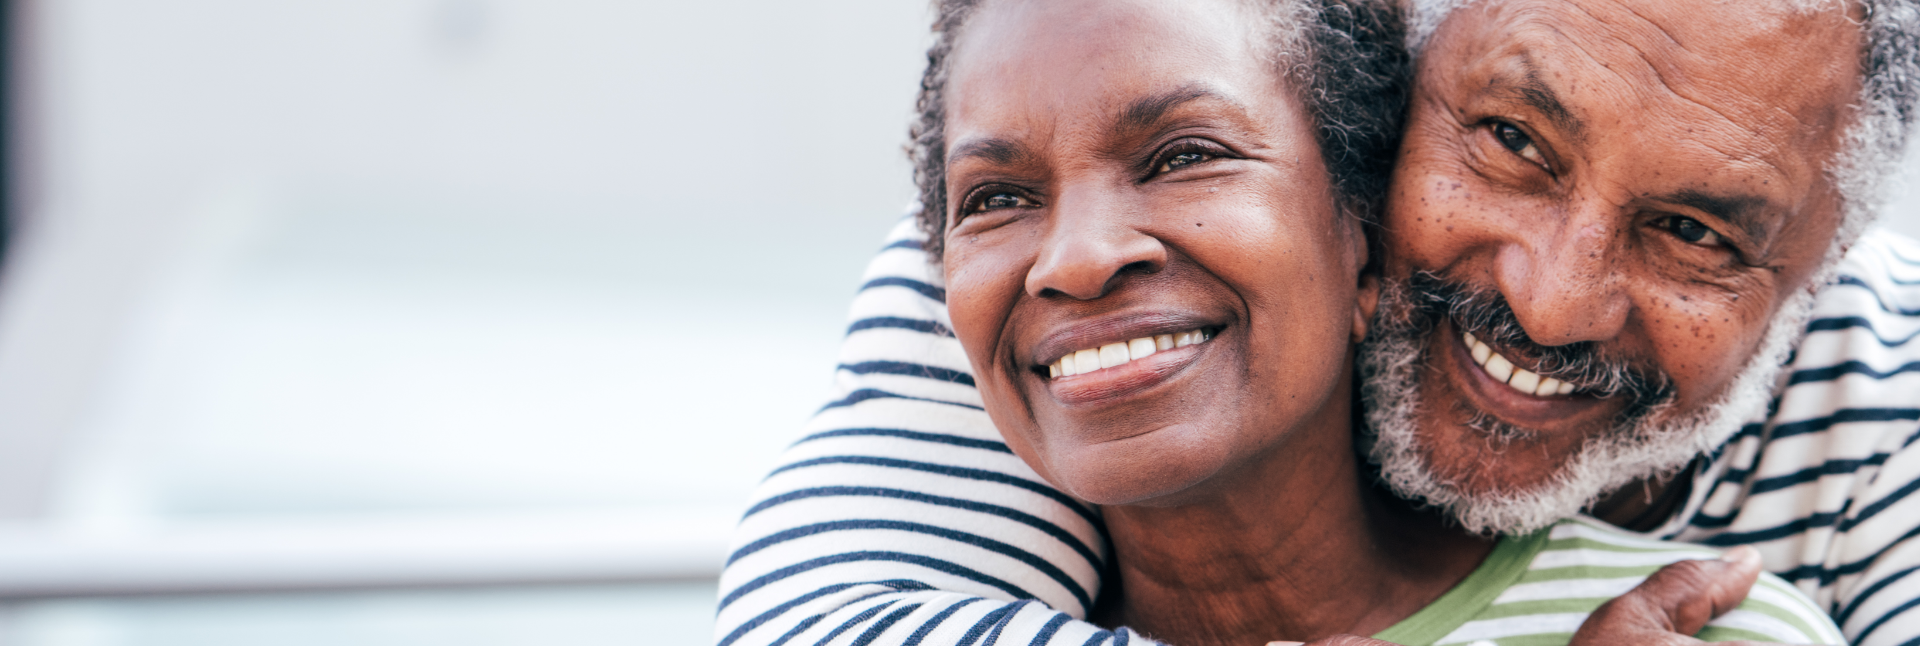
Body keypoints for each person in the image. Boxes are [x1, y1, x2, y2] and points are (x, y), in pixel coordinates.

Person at [716, 0, 1920, 644]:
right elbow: (825, 621)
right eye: (1510, 139)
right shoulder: (1058, 279)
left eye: (1695, 234)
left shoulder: (1886, 386)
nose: (1550, 298)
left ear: (1821, 268)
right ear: (1390, 90)